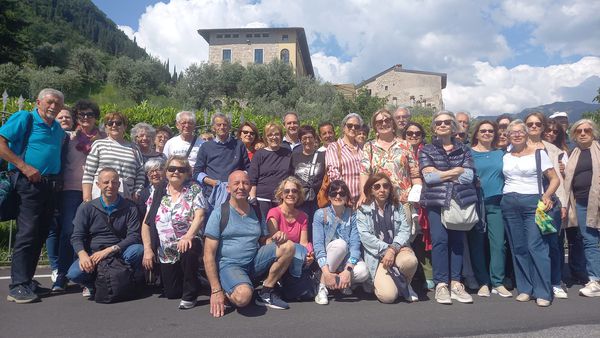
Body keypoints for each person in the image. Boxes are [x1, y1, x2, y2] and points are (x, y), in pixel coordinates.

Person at [1, 88, 66, 303]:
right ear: (39, 102)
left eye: (58, 104)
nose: (53, 107)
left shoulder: (57, 129)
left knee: (39, 233)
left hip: (49, 186)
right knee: (27, 233)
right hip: (27, 183)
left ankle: (27, 281)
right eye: (50, 102)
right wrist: (23, 166)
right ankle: (17, 285)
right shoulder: (25, 118)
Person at [204, 171, 295, 316]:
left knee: (288, 246)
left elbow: (264, 240)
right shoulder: (219, 214)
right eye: (236, 183)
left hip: (254, 262)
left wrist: (275, 238)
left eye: (245, 183)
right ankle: (230, 287)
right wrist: (215, 290)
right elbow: (208, 254)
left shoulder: (257, 211)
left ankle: (266, 291)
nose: (241, 187)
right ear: (228, 188)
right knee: (243, 297)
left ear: (250, 187)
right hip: (230, 266)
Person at [419, 110, 477, 305]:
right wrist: (456, 171)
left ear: (453, 126)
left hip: (459, 201)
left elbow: (469, 177)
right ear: (434, 128)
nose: (442, 125)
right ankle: (441, 284)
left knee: (457, 242)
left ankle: (456, 283)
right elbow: (429, 177)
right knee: (440, 241)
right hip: (436, 202)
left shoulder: (464, 150)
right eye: (438, 122)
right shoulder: (427, 150)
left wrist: (441, 173)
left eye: (446, 122)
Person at [501, 120, 560, 307]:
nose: (517, 135)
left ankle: (543, 291)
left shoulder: (538, 154)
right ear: (508, 136)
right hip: (509, 202)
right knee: (517, 247)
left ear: (526, 134)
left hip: (532, 202)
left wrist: (547, 196)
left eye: (520, 132)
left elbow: (554, 179)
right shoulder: (506, 156)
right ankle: (525, 288)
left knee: (536, 246)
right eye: (513, 132)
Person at [50, 99, 106, 292]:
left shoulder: (104, 138)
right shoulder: (69, 138)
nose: (85, 118)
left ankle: (87, 277)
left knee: (93, 232)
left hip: (97, 190)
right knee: (69, 232)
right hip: (72, 189)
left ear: (95, 117)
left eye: (89, 114)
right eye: (81, 115)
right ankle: (62, 276)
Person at [67, 168, 144, 298]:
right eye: (106, 182)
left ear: (119, 185)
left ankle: (128, 280)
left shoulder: (130, 207)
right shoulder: (87, 207)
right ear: (98, 185)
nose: (110, 186)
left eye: (114, 182)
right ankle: (93, 284)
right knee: (74, 274)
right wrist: (83, 255)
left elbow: (134, 236)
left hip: (120, 250)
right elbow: (77, 236)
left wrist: (109, 250)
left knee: (138, 250)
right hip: (94, 253)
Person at [142, 156, 206, 309]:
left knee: (189, 250)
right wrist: (147, 249)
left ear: (186, 173)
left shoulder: (193, 189)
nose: (176, 172)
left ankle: (190, 296)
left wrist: (188, 236)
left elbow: (200, 215)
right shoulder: (158, 192)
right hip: (166, 249)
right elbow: (146, 223)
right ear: (166, 172)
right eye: (171, 169)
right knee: (172, 293)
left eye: (181, 169)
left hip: (188, 240)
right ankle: (197, 278)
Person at [524, 112, 569, 299]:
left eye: (537, 124)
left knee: (552, 243)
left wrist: (563, 204)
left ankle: (555, 282)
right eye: (530, 124)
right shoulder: (517, 147)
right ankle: (536, 282)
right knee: (533, 245)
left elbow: (559, 179)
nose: (534, 126)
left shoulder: (553, 149)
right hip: (527, 201)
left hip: (551, 202)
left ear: (542, 127)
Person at [357, 173, 419, 303]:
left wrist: (393, 249)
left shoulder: (398, 206)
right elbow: (365, 237)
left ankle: (406, 284)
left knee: (409, 261)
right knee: (388, 297)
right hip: (377, 257)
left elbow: (404, 230)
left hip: (397, 250)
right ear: (371, 190)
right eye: (377, 186)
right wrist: (387, 250)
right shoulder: (363, 210)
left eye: (385, 186)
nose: (382, 189)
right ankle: (392, 283)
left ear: (390, 189)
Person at [469, 120, 512, 298]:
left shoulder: (500, 154)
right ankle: (483, 282)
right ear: (476, 134)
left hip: (496, 202)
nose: (487, 133)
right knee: (477, 243)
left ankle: (498, 281)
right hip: (475, 203)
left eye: (490, 131)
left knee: (498, 244)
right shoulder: (468, 153)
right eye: (483, 131)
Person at [312, 180, 369, 305]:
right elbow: (318, 246)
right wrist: (326, 272)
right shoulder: (320, 214)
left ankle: (340, 282)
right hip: (328, 258)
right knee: (340, 244)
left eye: (342, 193)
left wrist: (348, 270)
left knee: (363, 272)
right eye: (333, 193)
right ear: (328, 196)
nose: (338, 196)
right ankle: (322, 284)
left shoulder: (352, 215)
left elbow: (355, 245)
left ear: (347, 196)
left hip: (345, 260)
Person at [358, 109, 421, 219]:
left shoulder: (405, 145)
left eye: (387, 120)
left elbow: (414, 174)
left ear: (392, 122)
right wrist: (363, 194)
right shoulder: (369, 147)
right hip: (379, 201)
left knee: (404, 235)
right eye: (379, 122)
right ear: (374, 126)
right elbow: (364, 173)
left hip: (403, 201)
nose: (384, 123)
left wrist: (416, 194)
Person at [564, 119, 600, 297]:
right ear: (574, 135)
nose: (583, 133)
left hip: (597, 201)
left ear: (593, 132)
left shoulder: (599, 150)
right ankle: (595, 280)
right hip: (581, 203)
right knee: (590, 242)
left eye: (587, 130)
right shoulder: (573, 154)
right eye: (579, 131)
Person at [82, 112, 145, 202]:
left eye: (118, 123)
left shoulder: (134, 148)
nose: (114, 125)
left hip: (126, 198)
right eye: (110, 123)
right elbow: (88, 173)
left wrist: (137, 192)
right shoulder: (99, 145)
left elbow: (140, 173)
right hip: (101, 197)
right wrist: (87, 197)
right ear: (106, 127)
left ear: (125, 126)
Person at [402, 122, 434, 291]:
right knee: (407, 236)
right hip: (405, 200)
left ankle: (428, 275)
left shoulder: (428, 152)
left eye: (417, 133)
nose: (413, 136)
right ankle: (410, 275)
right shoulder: (399, 151)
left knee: (424, 237)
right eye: (409, 133)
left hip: (425, 200)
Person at [46, 105, 76, 286]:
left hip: (70, 187)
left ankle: (67, 267)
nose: (64, 119)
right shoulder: (53, 136)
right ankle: (56, 267)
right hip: (51, 186)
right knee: (52, 228)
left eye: (67, 117)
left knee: (68, 228)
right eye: (60, 117)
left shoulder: (76, 137)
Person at [194, 113, 250, 204]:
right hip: (212, 194)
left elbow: (247, 168)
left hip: (235, 194)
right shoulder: (206, 147)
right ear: (213, 128)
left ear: (229, 127)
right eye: (218, 125)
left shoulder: (239, 145)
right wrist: (212, 182)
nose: (222, 127)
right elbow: (197, 172)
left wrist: (238, 182)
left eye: (225, 124)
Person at [266, 177, 313, 279]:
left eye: (294, 191)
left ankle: (294, 278)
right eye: (287, 191)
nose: (291, 194)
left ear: (298, 194)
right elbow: (274, 240)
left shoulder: (303, 216)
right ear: (281, 194)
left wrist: (309, 254)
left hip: (296, 257)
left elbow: (303, 243)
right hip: (278, 254)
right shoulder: (274, 212)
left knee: (303, 252)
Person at [248, 122, 292, 218]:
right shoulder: (259, 154)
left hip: (281, 199)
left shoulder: (288, 154)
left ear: (281, 136)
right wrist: (252, 198)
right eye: (270, 135)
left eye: (276, 134)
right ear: (265, 137)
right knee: (265, 231)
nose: (274, 137)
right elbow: (252, 179)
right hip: (262, 199)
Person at [291, 125, 326, 230]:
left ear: (315, 138)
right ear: (300, 140)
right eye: (304, 138)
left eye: (310, 137)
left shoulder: (323, 155)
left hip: (318, 200)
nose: (307, 141)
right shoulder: (295, 156)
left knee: (317, 228)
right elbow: (290, 176)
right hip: (300, 201)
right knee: (302, 228)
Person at [325, 113, 364, 205]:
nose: (353, 128)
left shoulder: (362, 148)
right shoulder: (334, 147)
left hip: (363, 202)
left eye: (357, 126)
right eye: (350, 125)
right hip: (344, 202)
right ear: (343, 127)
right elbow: (334, 174)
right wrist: (344, 196)